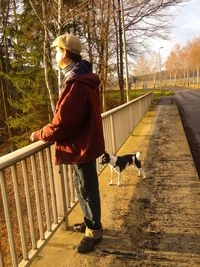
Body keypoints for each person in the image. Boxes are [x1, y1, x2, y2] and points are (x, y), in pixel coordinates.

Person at [30, 33, 105, 253]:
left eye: (56, 51)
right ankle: (90, 222)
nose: (54, 55)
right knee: (83, 187)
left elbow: (63, 122)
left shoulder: (76, 83)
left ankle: (95, 231)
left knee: (87, 189)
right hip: (83, 143)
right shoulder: (79, 77)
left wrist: (41, 134)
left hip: (81, 145)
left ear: (64, 52)